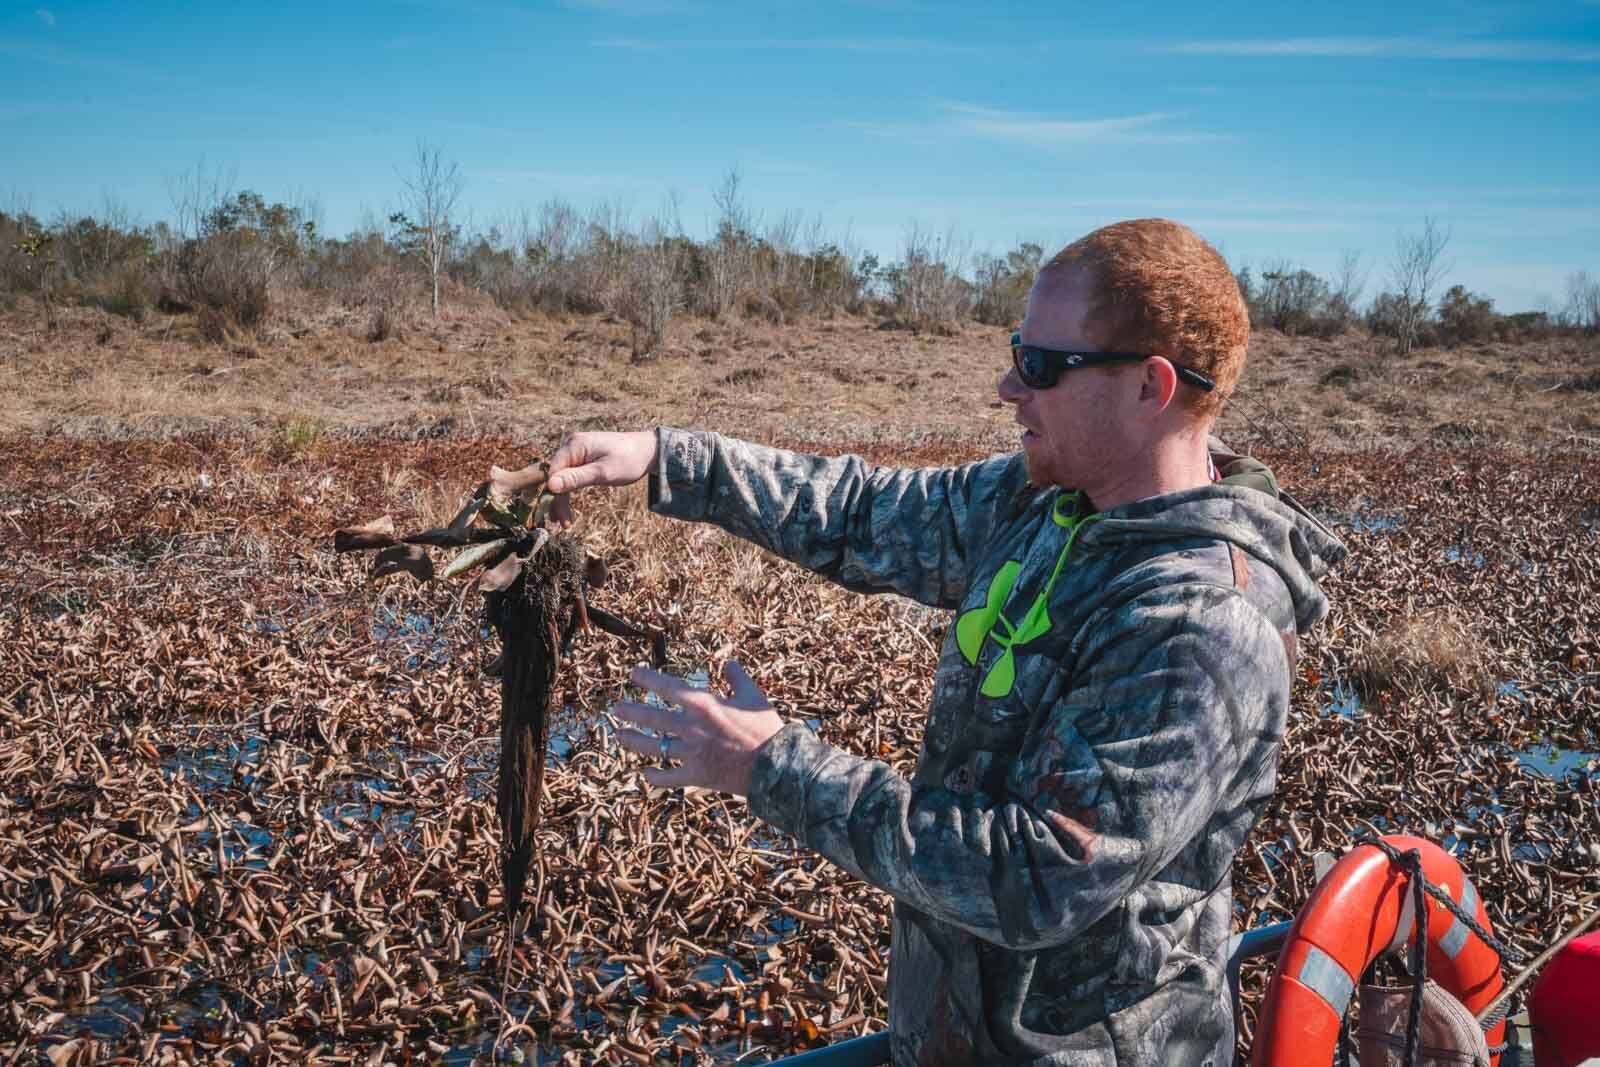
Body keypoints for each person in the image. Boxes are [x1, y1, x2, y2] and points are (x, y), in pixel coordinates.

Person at [536, 219, 1345, 1066]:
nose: (1007, 385)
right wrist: (669, 457)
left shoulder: (1202, 623)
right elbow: (858, 512)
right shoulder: (1045, 501)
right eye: (1014, 350)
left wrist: (770, 763)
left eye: (1041, 364)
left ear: (1151, 387)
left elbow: (1038, 874)